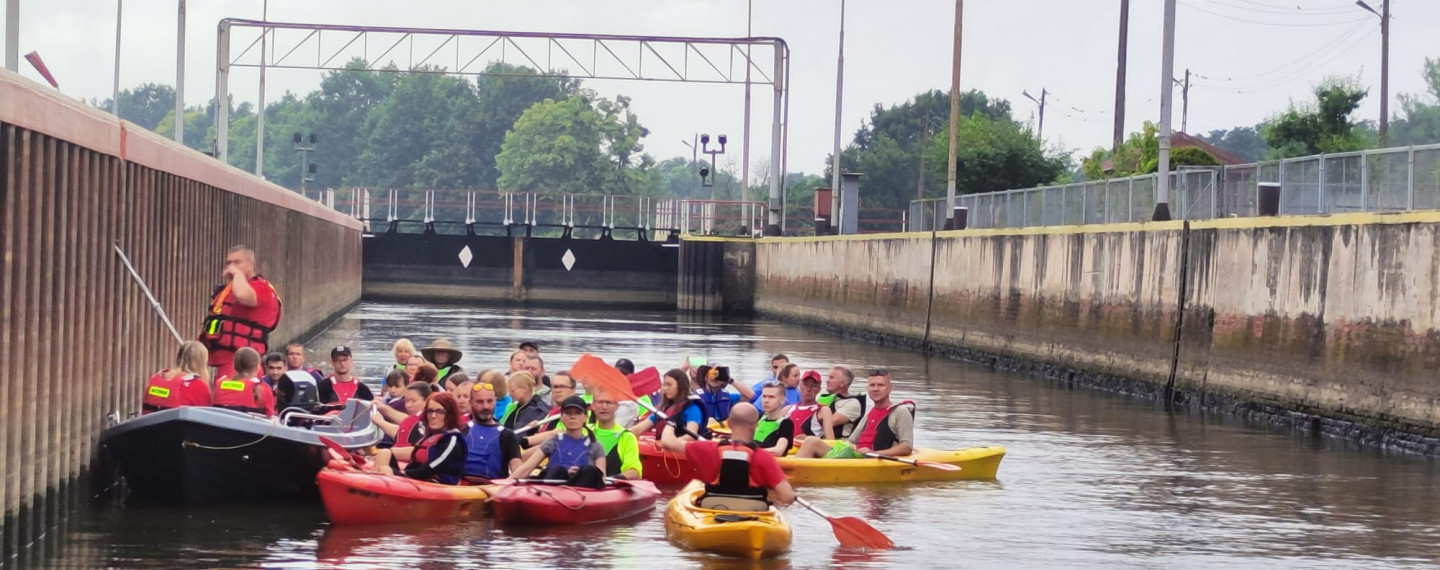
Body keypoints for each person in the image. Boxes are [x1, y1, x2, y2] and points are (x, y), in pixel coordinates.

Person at [659, 403, 795, 511]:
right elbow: (787, 497)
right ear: (755, 426)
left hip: (713, 508)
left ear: (729, 424)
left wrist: (671, 423)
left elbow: (668, 442)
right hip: (753, 512)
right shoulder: (764, 457)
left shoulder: (707, 449)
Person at [199, 246, 283, 379]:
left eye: (237, 262)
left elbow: (243, 296)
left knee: (233, 396)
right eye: (229, 263)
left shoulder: (261, 288)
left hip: (243, 365)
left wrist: (237, 274)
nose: (231, 267)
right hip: (224, 363)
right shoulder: (230, 289)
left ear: (251, 263)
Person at [793, 370, 914, 459]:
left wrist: (877, 453)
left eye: (880, 385)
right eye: (872, 385)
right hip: (855, 456)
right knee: (811, 441)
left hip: (870, 458)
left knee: (811, 442)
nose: (876, 389)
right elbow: (851, 442)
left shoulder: (900, 412)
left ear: (890, 388)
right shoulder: (870, 413)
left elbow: (906, 447)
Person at [512, 396, 607, 489]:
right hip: (553, 491)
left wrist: (579, 474)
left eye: (577, 413)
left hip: (583, 490)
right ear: (561, 417)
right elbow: (527, 468)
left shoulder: (596, 446)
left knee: (589, 470)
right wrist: (506, 483)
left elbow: (601, 477)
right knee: (558, 470)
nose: (572, 417)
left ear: (585, 417)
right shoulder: (552, 442)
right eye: (568, 413)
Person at [375, 392, 468, 485]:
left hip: (436, 484)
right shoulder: (430, 436)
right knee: (384, 453)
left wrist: (404, 474)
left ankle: (376, 494)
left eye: (440, 412)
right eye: (430, 411)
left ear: (449, 414)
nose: (433, 416)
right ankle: (370, 492)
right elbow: (415, 463)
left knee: (385, 470)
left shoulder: (453, 440)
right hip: (419, 480)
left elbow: (433, 466)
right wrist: (404, 473)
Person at [462, 380, 524, 481]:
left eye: (490, 401)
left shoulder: (507, 435)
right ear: (470, 403)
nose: (486, 406)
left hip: (493, 491)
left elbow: (518, 471)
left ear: (495, 401)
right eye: (479, 402)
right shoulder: (461, 431)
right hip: (461, 491)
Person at [629, 369, 707, 440]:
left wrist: (669, 443)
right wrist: (621, 435)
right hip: (663, 449)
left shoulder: (692, 408)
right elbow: (639, 429)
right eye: (664, 385)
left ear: (681, 386)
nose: (665, 388)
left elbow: (691, 436)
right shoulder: (663, 409)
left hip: (679, 451)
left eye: (669, 385)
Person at [142, 341, 213, 414]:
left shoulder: (160, 377)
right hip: (177, 424)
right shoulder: (199, 386)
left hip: (149, 424)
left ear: (178, 357)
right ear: (202, 363)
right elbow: (206, 417)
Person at [589, 390, 642, 480]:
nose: (604, 407)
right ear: (593, 406)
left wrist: (611, 479)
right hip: (584, 485)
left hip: (613, 487)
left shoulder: (627, 437)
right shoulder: (584, 432)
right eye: (600, 402)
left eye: (609, 403)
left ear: (617, 406)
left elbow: (634, 471)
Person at [211, 347, 277, 417]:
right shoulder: (263, 389)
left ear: (234, 365)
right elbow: (269, 416)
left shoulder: (220, 384)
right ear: (257, 367)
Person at [374, 382, 433, 450]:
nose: (408, 405)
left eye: (413, 401)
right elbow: (406, 424)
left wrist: (379, 421)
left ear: (427, 400)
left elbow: (403, 431)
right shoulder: (415, 418)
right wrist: (382, 409)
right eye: (407, 401)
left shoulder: (429, 418)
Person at [815, 366, 866, 439]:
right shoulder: (824, 399)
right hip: (818, 440)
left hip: (839, 445)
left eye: (832, 378)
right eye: (828, 377)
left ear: (843, 383)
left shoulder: (853, 403)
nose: (827, 381)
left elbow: (829, 423)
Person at [502, 372, 550, 441]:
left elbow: (519, 435)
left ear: (525, 388)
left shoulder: (537, 410)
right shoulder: (516, 407)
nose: (509, 394)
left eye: (512, 391)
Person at [753, 383, 794, 456]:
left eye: (771, 397)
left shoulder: (786, 424)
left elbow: (779, 450)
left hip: (772, 463)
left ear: (782, 400)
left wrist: (752, 452)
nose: (766, 400)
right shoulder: (759, 417)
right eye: (764, 396)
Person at [789, 371, 824, 440]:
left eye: (813, 386)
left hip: (809, 447)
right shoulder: (788, 408)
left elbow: (831, 441)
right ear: (800, 386)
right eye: (805, 385)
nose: (808, 389)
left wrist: (809, 439)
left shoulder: (823, 410)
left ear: (819, 389)